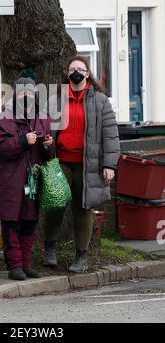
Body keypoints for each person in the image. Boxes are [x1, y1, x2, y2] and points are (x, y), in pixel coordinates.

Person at [43, 55, 120, 273]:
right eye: (72, 69)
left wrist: (109, 165)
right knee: (55, 205)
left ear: (87, 74)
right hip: (61, 163)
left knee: (83, 209)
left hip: (89, 165)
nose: (76, 72)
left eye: (81, 69)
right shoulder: (56, 100)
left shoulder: (100, 101)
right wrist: (46, 141)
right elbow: (44, 129)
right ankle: (49, 248)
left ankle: (81, 256)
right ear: (67, 74)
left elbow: (111, 136)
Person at [0, 72, 54, 281]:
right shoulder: (2, 121)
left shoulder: (42, 119)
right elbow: (0, 148)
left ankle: (26, 264)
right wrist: (23, 141)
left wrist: (47, 146)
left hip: (32, 181)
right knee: (11, 223)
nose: (26, 95)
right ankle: (14, 265)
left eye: (30, 92)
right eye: (22, 92)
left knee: (29, 222)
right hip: (10, 182)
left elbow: (49, 155)